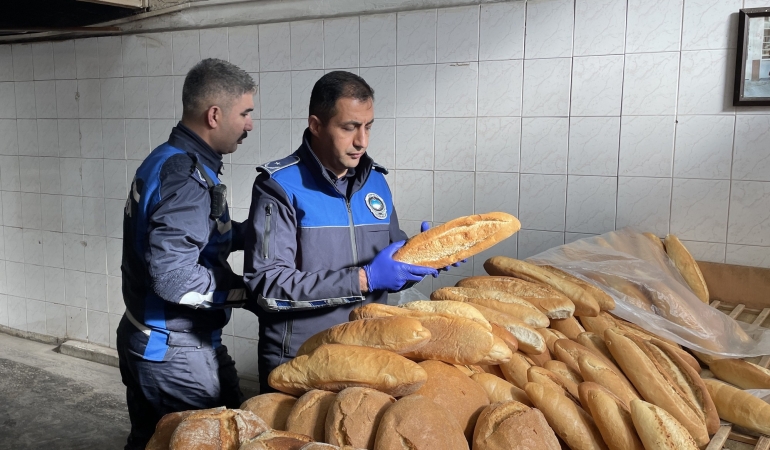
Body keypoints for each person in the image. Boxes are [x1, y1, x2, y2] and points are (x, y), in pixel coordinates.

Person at [243, 71, 443, 392]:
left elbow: (390, 261)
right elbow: (268, 286)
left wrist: (419, 259)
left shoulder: (375, 181)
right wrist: (363, 279)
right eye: (349, 127)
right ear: (317, 125)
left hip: (372, 355)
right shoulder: (279, 186)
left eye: (368, 126)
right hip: (304, 362)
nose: (362, 140)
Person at [116, 58, 255, 450]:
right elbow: (174, 277)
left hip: (150, 337)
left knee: (151, 441)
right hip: (172, 353)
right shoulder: (187, 176)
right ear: (214, 115)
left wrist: (256, 233)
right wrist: (248, 293)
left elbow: (198, 237)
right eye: (245, 113)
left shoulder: (167, 158)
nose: (249, 124)